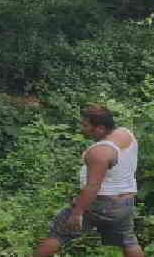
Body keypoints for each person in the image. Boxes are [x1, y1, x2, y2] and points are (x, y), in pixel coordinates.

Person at [34, 106, 144, 257]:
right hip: (125, 203)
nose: (82, 129)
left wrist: (77, 213)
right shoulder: (125, 133)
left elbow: (93, 186)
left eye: (86, 125)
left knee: (58, 234)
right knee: (129, 241)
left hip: (100, 203)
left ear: (99, 128)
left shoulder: (99, 152)